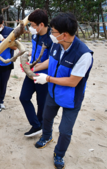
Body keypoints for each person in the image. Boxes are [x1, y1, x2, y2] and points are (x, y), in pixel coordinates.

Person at [32, 13, 93, 169]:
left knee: (65, 131)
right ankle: (46, 137)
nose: (51, 34)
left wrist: (48, 79)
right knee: (46, 117)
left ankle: (59, 154)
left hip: (71, 99)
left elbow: (73, 82)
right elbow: (51, 60)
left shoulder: (83, 55)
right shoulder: (57, 44)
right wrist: (35, 67)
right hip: (53, 93)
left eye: (53, 31)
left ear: (64, 35)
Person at [19, 9, 53, 137]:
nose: (31, 28)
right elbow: (35, 51)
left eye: (33, 25)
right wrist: (26, 56)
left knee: (41, 103)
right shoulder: (35, 35)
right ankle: (36, 124)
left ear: (42, 24)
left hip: (43, 76)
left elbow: (52, 60)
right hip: (31, 71)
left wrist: (34, 69)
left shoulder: (51, 38)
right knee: (24, 97)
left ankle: (41, 126)